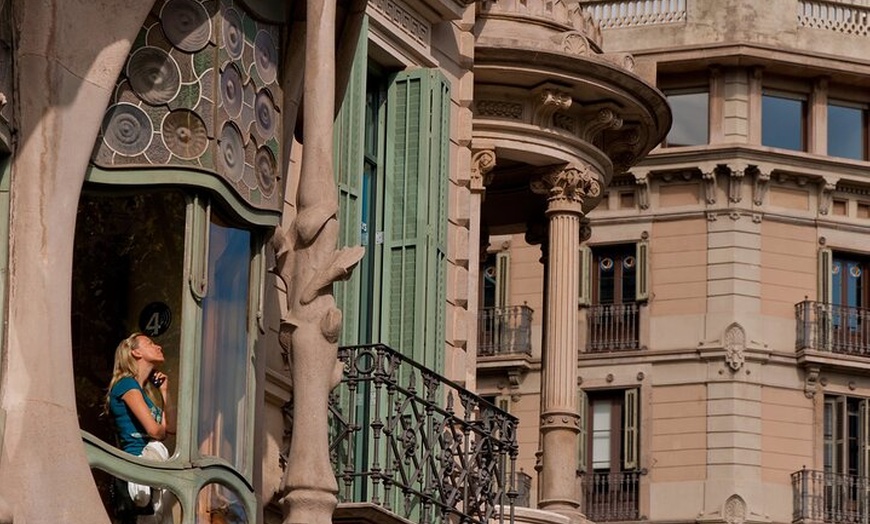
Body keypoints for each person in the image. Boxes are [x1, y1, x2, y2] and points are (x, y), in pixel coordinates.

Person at [105, 332, 175, 523]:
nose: (158, 346)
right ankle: (141, 488)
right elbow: (155, 431)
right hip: (138, 462)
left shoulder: (147, 395)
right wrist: (159, 433)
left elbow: (171, 428)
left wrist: (165, 390)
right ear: (135, 352)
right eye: (150, 343)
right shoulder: (126, 384)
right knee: (158, 446)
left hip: (154, 469)